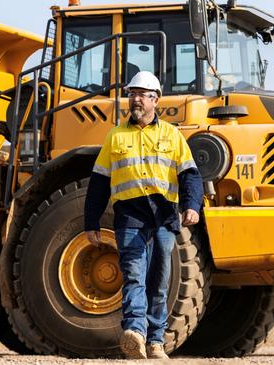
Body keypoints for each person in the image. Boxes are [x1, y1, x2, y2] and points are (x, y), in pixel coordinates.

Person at [84, 71, 203, 359]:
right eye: (132, 94)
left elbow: (190, 174)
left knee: (159, 280)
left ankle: (155, 341)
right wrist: (91, 221)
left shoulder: (171, 135)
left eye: (141, 94)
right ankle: (135, 333)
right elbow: (99, 181)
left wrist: (191, 205)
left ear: (155, 100)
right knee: (134, 274)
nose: (135, 99)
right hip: (130, 215)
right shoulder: (115, 136)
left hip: (163, 214)